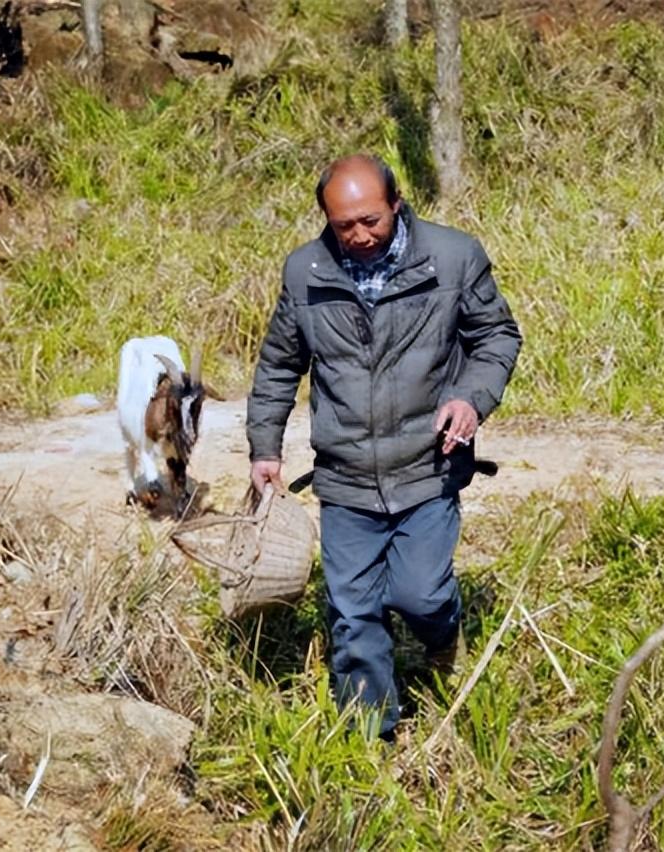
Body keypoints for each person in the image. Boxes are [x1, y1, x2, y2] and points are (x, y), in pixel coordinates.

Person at [246, 153, 522, 740]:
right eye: (345, 225)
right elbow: (278, 366)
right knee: (353, 613)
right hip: (345, 476)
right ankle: (372, 739)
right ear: (327, 218)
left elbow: (496, 335)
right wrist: (264, 448)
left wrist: (471, 398)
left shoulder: (452, 257)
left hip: (427, 467)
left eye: (371, 220)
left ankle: (443, 638)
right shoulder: (307, 271)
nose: (360, 235)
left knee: (419, 596)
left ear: (396, 204)